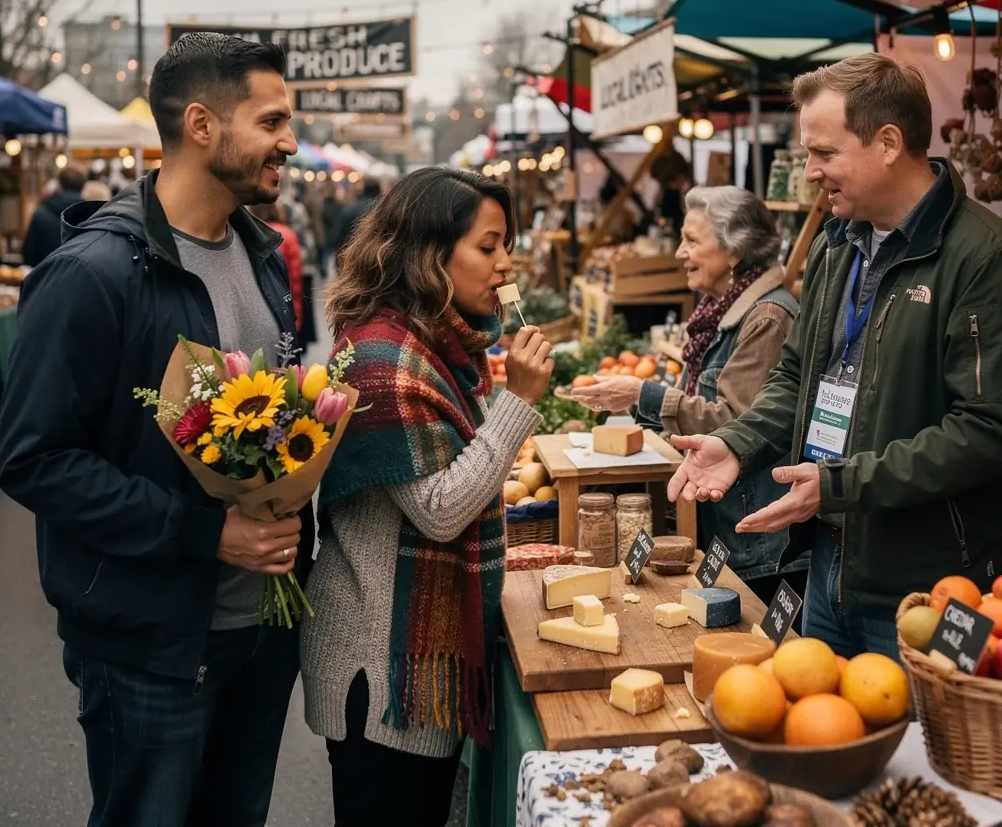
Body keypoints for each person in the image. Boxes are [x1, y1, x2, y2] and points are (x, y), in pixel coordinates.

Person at [0, 32, 309, 827]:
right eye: (272, 121)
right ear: (202, 125)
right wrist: (204, 533)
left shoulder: (261, 254)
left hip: (259, 629)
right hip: (150, 644)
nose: (290, 141)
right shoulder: (92, 274)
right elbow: (34, 460)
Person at [666, 53, 1002, 660]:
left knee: (929, 754)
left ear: (888, 143)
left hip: (931, 591)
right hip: (826, 566)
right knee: (830, 737)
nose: (811, 172)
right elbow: (798, 373)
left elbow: (984, 431)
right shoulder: (835, 243)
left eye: (823, 154)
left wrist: (842, 483)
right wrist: (737, 442)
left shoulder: (981, 256)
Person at [300, 168, 553, 827]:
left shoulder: (437, 344)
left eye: (506, 245)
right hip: (381, 664)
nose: (505, 263)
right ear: (429, 253)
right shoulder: (386, 361)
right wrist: (517, 402)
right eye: (488, 246)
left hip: (409, 654)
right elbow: (439, 510)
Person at [572, 186, 807, 605]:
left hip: (759, 544)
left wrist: (644, 393)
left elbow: (735, 424)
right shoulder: (721, 312)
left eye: (692, 240)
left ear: (734, 251)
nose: (679, 252)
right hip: (730, 527)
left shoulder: (767, 318)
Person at [253, 201, 304, 331]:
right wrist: (296, 310)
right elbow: (295, 277)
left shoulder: (251, 234)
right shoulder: (287, 234)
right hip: (284, 302)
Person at [21, 164, 86, 267]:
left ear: (59, 185)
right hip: (81, 276)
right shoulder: (92, 215)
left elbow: (28, 254)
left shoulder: (41, 213)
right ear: (83, 186)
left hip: (46, 276)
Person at [331, 177, 381, 263]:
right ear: (379, 190)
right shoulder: (384, 210)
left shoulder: (349, 209)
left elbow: (338, 236)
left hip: (351, 258)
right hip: (377, 259)